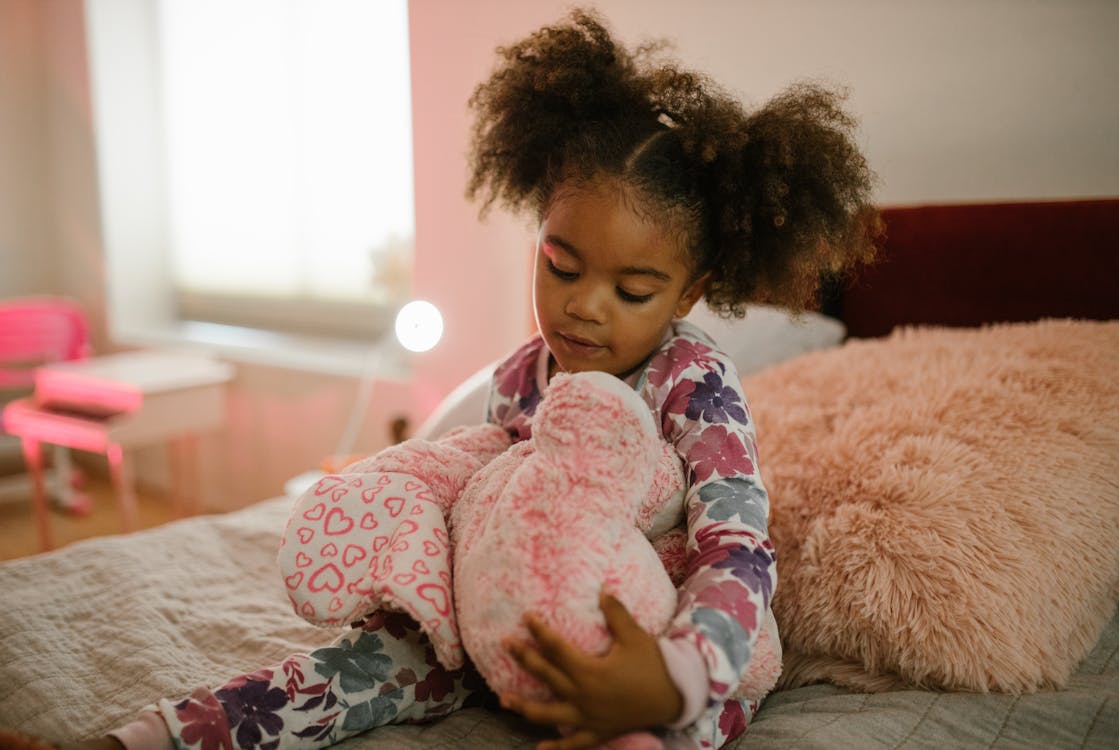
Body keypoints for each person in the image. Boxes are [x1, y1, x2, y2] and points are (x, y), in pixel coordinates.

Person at [4, 8, 878, 750]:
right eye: (561, 266)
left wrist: (675, 672)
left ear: (687, 291)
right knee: (337, 673)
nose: (584, 309)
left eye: (632, 289)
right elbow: (464, 494)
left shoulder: (697, 384)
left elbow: (739, 547)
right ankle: (161, 733)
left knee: (705, 705)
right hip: (497, 623)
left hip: (642, 641)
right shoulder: (517, 380)